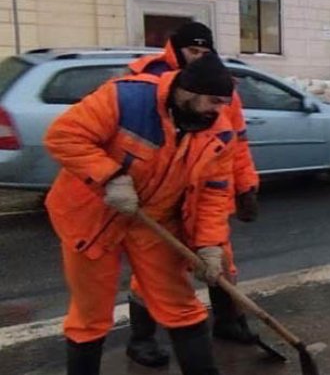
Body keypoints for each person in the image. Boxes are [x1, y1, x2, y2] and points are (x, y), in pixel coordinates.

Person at [45, 53, 237, 375]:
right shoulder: (125, 98)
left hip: (155, 221)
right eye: (214, 101)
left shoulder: (217, 132)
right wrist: (111, 177)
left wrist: (210, 245)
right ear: (187, 92)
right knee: (90, 316)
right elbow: (63, 135)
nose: (219, 111)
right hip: (94, 215)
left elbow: (214, 194)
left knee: (182, 307)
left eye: (224, 103)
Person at [124, 22, 262, 368]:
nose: (199, 58)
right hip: (164, 196)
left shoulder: (221, 88)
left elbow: (237, 141)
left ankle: (227, 321)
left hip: (208, 189)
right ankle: (141, 339)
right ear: (177, 49)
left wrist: (246, 185)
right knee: (155, 269)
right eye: (193, 51)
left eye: (205, 52)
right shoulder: (155, 81)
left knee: (220, 258)